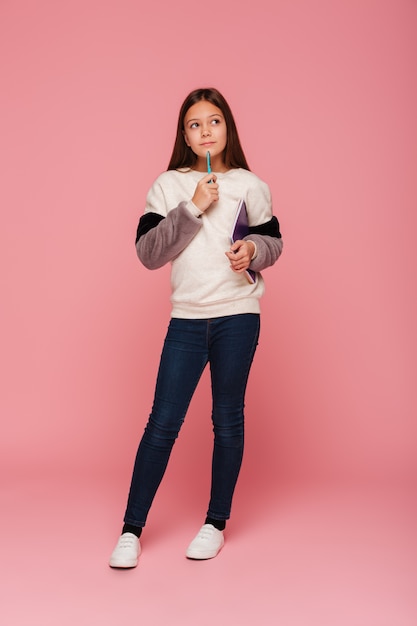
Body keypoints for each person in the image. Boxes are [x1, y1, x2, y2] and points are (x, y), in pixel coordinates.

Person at [109, 87, 283, 568]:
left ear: (228, 127)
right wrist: (192, 206)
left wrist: (253, 252)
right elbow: (149, 254)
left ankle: (216, 522)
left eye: (214, 121)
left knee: (227, 419)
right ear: (183, 135)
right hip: (187, 319)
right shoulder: (168, 185)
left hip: (238, 315)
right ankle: (131, 529)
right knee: (162, 423)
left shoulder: (252, 184)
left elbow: (272, 242)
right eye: (194, 124)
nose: (205, 131)